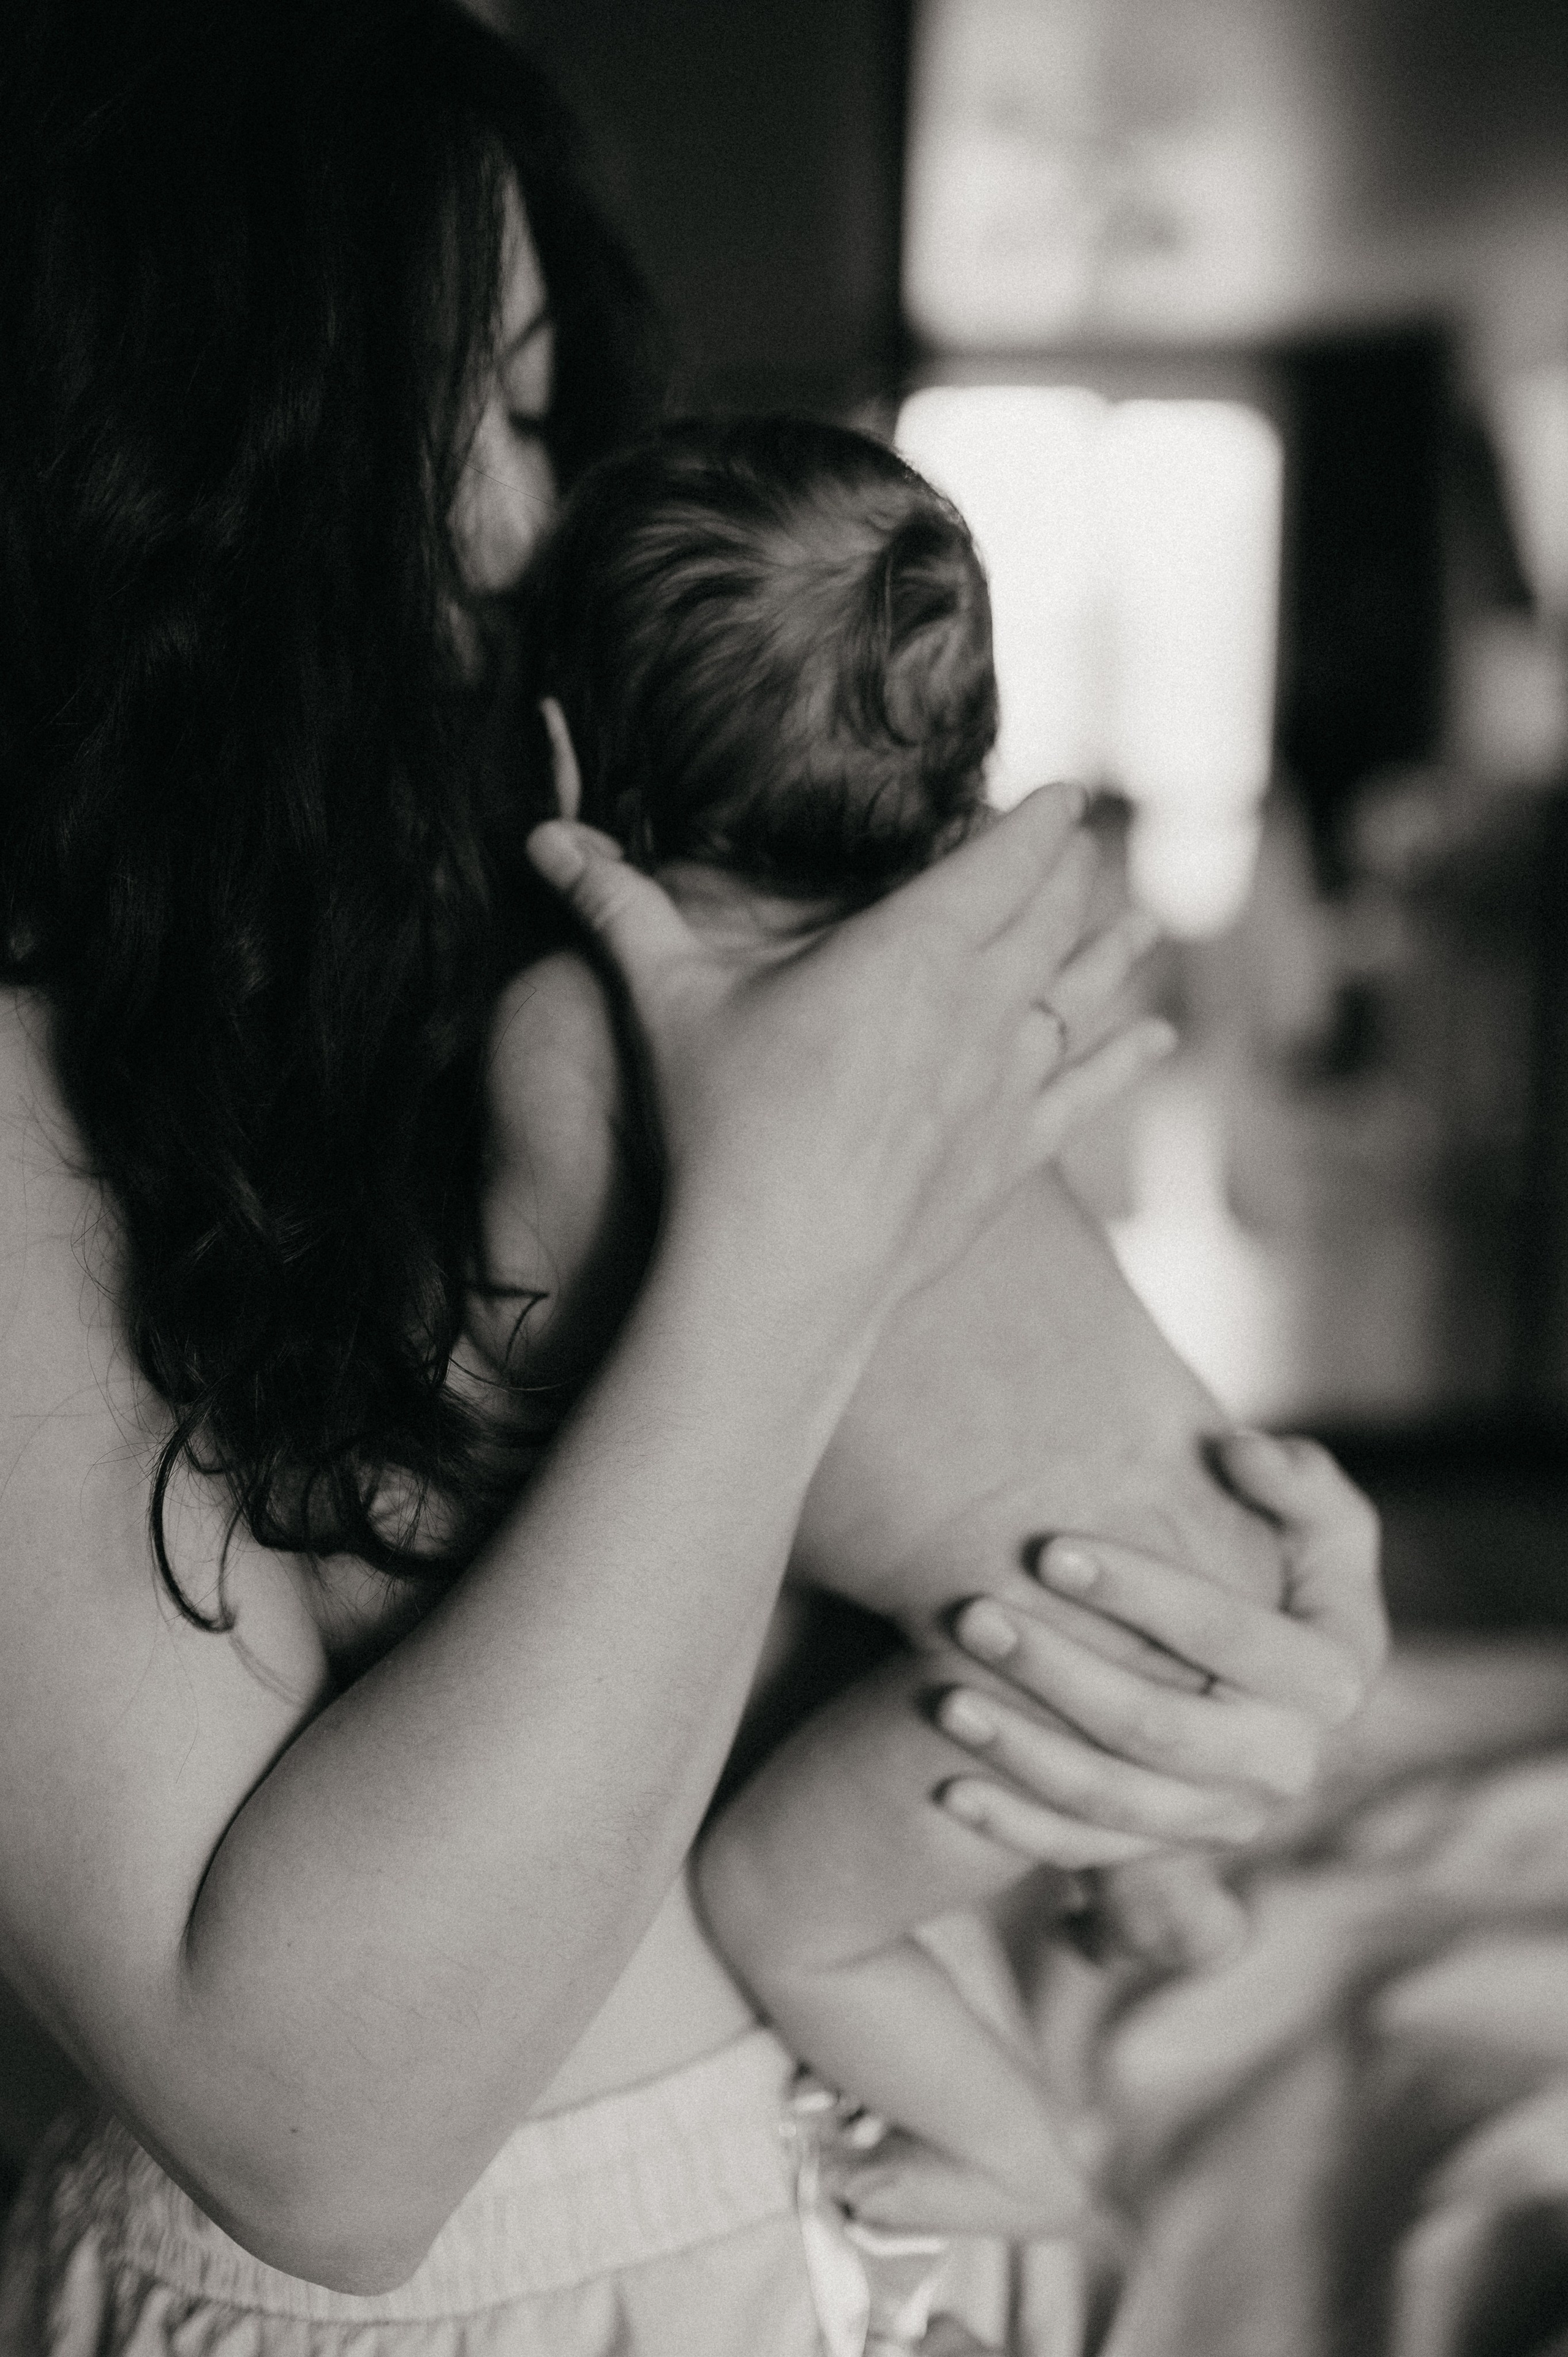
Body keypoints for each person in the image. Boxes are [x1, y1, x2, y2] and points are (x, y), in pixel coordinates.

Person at [0, 6, 1385, 2353]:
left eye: (539, 406)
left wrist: (1220, 1695)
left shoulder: (479, 953)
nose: (527, 532)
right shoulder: (73, 1072)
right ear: (158, 486)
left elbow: (832, 1572)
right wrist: (796, 1237)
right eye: (445, 423)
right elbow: (326, 2148)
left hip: (845, 2212)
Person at [470, 413, 1383, 2241]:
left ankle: (1015, 2151)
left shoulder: (574, 1030)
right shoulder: (960, 994)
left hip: (1061, 1651)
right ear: (958, 789)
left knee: (773, 1903)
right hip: (1229, 1545)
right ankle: (1156, 1880)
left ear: (558, 751)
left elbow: (515, 1351)